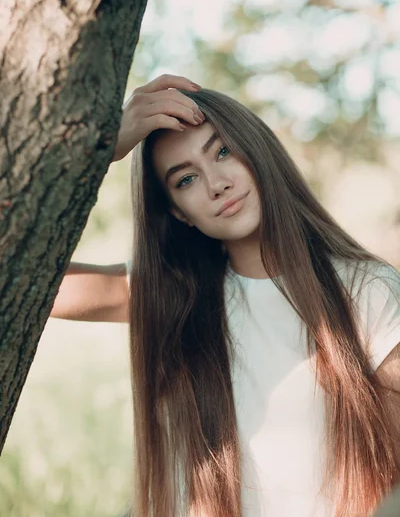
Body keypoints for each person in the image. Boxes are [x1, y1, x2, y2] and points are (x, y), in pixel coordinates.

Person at [51, 74, 400, 517]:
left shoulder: (365, 291)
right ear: (180, 213)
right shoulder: (171, 297)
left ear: (256, 149)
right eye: (186, 180)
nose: (216, 183)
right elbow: (19, 279)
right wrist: (100, 152)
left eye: (222, 151)